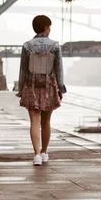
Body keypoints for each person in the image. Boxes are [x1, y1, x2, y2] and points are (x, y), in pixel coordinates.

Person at [17, 15, 66, 166]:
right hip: (49, 87)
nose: (50, 29)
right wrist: (61, 88)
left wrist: (20, 89)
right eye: (49, 27)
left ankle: (36, 154)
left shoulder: (27, 46)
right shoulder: (55, 46)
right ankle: (44, 152)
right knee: (46, 121)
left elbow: (23, 71)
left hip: (31, 86)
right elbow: (59, 70)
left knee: (34, 121)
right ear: (45, 28)